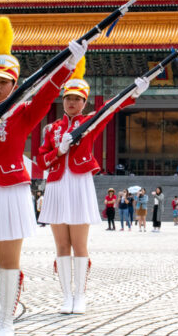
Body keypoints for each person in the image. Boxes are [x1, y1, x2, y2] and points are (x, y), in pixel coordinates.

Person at [0, 17, 82, 336]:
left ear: (14, 84)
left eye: (4, 82)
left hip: (10, 190)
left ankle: (6, 322)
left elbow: (49, 89)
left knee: (8, 261)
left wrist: (70, 63)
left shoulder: (23, 112)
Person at [35, 62, 147, 313]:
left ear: (84, 102)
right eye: (68, 98)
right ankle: (66, 296)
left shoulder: (89, 123)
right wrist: (59, 149)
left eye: (77, 99)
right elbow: (41, 159)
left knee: (79, 244)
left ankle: (80, 295)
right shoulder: (51, 129)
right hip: (55, 185)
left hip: (79, 184)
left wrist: (134, 93)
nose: (72, 103)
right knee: (62, 245)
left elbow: (110, 108)